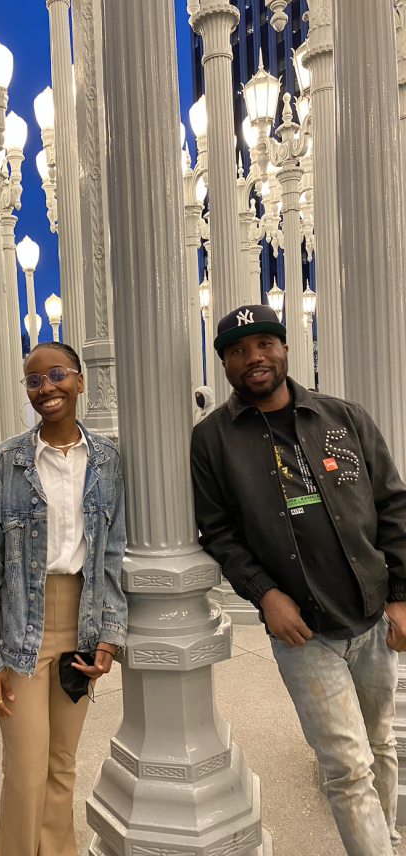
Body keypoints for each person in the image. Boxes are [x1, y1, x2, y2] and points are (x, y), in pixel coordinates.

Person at [190, 305, 406, 856]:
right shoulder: (213, 440)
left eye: (264, 344)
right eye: (238, 351)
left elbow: (392, 507)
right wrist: (266, 595)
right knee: (347, 766)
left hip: (372, 616)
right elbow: (218, 533)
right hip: (304, 633)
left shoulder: (344, 418)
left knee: (379, 744)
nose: (253, 358)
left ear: (285, 348)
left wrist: (401, 597)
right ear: (224, 363)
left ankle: (386, 835)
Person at [0, 341, 127, 856]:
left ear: (80, 381)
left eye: (56, 375)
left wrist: (110, 632)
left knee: (62, 762)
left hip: (81, 622)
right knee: (26, 768)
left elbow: (112, 554)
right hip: (21, 630)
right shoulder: (8, 461)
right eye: (33, 381)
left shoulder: (107, 460)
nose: (46, 388)